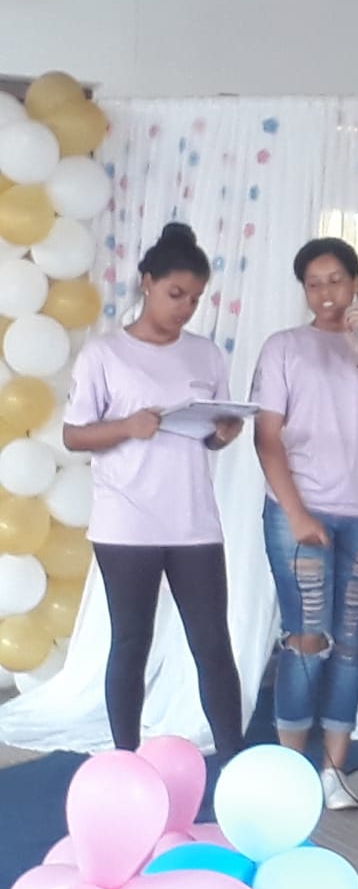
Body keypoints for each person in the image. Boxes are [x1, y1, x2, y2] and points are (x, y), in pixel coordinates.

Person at [63, 222, 245, 759]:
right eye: (176, 294)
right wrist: (127, 426)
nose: (185, 308)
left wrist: (223, 433)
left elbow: (211, 432)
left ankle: (233, 757)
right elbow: (74, 435)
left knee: (212, 642)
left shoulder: (206, 355)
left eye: (195, 299)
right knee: (131, 641)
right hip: (126, 522)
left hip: (193, 521)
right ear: (146, 282)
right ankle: (126, 758)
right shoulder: (104, 354)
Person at [251, 237, 358, 810]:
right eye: (314, 283)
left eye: (336, 280)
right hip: (299, 511)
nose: (326, 293)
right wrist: (297, 513)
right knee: (305, 639)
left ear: (355, 282)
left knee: (350, 641)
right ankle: (289, 770)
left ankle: (335, 772)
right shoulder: (284, 347)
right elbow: (267, 438)